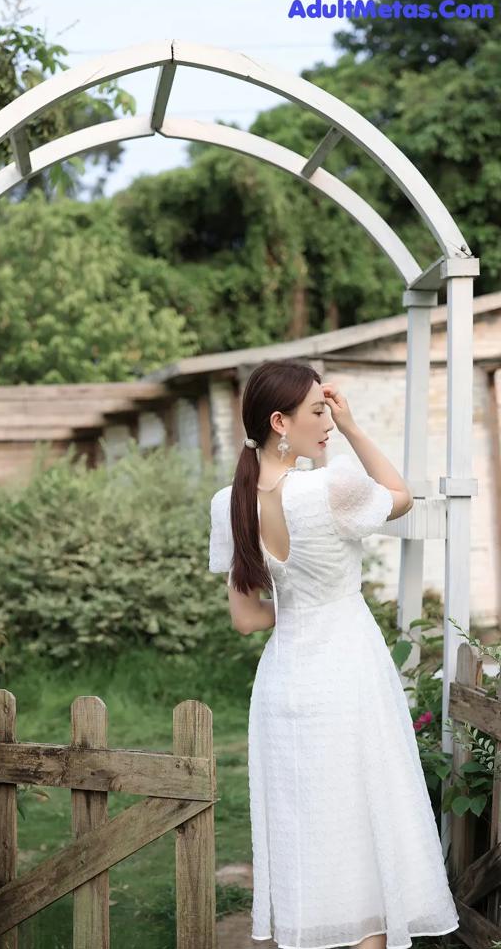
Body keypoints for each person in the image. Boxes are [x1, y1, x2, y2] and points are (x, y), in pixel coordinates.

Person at [208, 359, 460, 949]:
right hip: (347, 674)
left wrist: (295, 607)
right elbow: (400, 496)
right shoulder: (331, 485)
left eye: (328, 412)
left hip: (285, 684)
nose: (326, 422)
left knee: (309, 832)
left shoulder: (229, 502)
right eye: (317, 412)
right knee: (363, 828)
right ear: (279, 421)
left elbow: (246, 618)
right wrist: (352, 428)